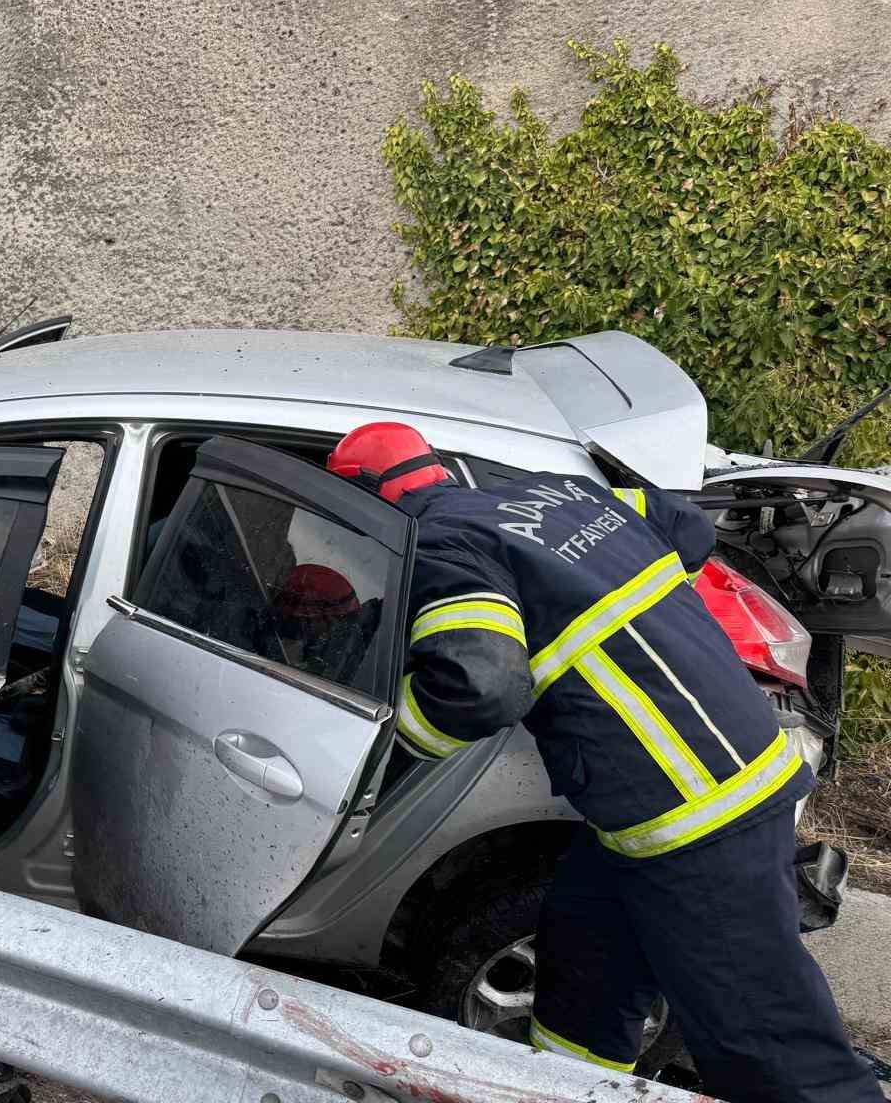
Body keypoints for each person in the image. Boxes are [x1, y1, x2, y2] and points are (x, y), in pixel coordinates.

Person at [327, 421, 880, 1103]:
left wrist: (382, 750)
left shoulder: (446, 544)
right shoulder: (556, 494)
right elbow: (689, 530)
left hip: (698, 814)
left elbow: (481, 686)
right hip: (694, 786)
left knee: (762, 1042)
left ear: (377, 508)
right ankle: (570, 1087)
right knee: (586, 964)